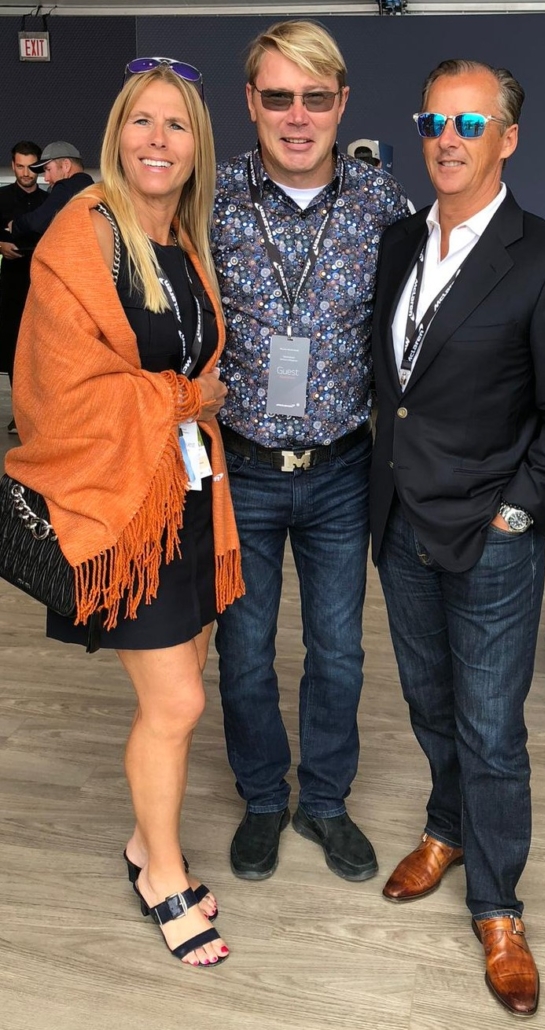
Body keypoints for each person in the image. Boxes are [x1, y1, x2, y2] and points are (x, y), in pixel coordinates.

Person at [370, 59, 545, 1016]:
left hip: (491, 536)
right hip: (402, 524)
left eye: (470, 124)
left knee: (490, 729)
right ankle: (446, 827)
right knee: (429, 702)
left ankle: (498, 905)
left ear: (506, 139)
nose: (447, 138)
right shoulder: (398, 242)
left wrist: (518, 512)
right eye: (434, 120)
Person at [5, 57, 244, 968]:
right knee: (178, 702)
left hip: (186, 500)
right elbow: (57, 391)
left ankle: (147, 841)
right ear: (117, 135)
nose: (158, 139)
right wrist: (184, 399)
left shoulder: (181, 237)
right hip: (121, 505)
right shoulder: (85, 232)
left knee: (183, 687)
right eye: (142, 120)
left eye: (176, 125)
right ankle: (163, 877)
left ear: (196, 146)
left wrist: (189, 402)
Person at [211, 20, 411, 883]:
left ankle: (323, 801)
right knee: (243, 652)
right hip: (241, 468)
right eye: (279, 97)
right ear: (251, 103)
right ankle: (263, 797)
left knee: (337, 653)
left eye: (316, 98)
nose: (298, 117)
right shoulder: (213, 198)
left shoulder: (382, 203)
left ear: (341, 104)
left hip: (339, 471)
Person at [0, 141, 47, 433]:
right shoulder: (2, 197)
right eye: (20, 166)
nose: (26, 173)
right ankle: (20, 414)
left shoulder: (50, 201)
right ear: (13, 166)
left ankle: (40, 414)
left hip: (44, 285)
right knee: (13, 346)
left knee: (42, 348)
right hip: (13, 283)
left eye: (31, 167)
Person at [7, 140, 94, 249]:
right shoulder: (90, 187)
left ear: (66, 165)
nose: (46, 178)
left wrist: (15, 225)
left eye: (48, 169)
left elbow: (39, 221)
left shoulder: (66, 187)